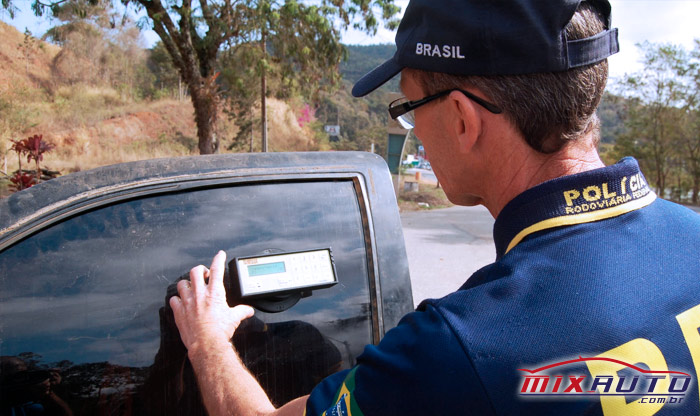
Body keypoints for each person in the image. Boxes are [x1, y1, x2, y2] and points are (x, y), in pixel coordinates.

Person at [169, 0, 700, 414]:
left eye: (408, 106)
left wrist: (207, 340)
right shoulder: (692, 238)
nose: (413, 129)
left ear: (464, 120)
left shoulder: (460, 347)